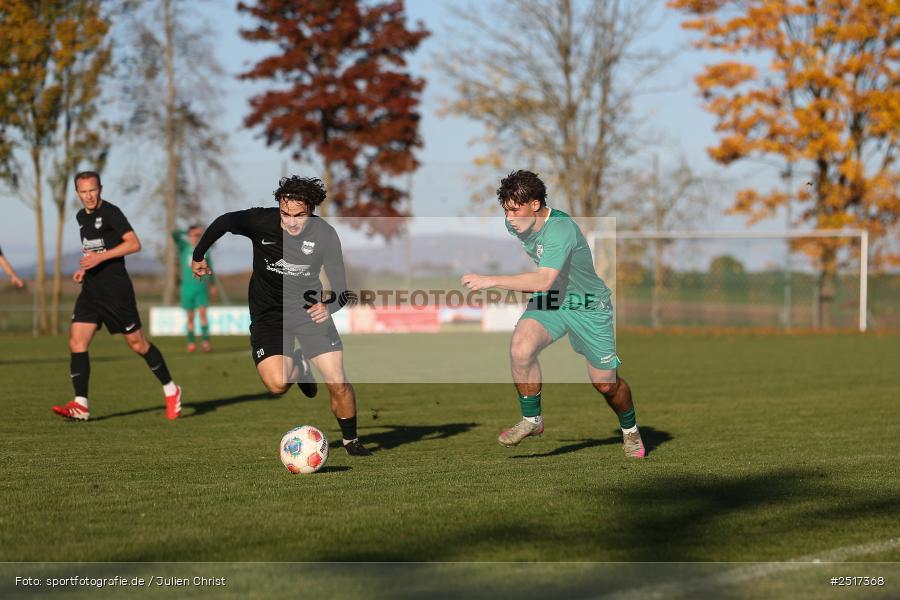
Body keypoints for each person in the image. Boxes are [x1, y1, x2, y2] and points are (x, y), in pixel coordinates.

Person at [462, 170, 645, 458]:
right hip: (554, 300)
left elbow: (543, 280)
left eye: (514, 210)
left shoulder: (561, 229)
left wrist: (491, 280)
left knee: (605, 384)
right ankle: (532, 419)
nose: (509, 218)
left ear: (535, 204)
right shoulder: (518, 224)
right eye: (505, 210)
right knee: (521, 349)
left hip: (588, 305)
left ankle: (630, 431)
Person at [191, 175, 372, 456]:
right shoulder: (260, 221)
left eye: (299, 215)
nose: (291, 221)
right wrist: (198, 255)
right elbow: (224, 222)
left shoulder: (325, 235)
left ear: (311, 210)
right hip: (268, 314)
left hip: (309, 313)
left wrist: (328, 306)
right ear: (279, 207)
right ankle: (300, 367)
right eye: (285, 214)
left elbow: (341, 291)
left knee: (338, 382)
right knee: (277, 385)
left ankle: (351, 441)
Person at [52, 171, 183, 421]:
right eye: (83, 192)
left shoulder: (111, 212)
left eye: (93, 190)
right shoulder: (81, 217)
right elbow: (92, 250)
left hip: (116, 292)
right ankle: (81, 404)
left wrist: (100, 258)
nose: (89, 196)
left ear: (100, 189)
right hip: (91, 290)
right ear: (77, 193)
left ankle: (171, 389)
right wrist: (85, 269)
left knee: (138, 344)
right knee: (77, 342)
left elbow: (134, 244)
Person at [173, 225, 218, 352]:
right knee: (190, 316)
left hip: (201, 287)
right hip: (187, 288)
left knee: (203, 314)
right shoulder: (183, 247)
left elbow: (210, 268)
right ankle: (191, 342)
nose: (194, 237)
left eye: (197, 235)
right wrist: (188, 230)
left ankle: (205, 342)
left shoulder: (204, 250)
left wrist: (213, 284)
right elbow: (174, 234)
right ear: (189, 236)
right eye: (193, 235)